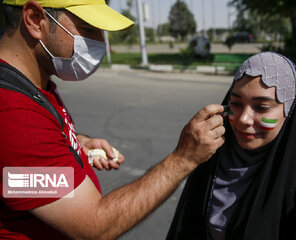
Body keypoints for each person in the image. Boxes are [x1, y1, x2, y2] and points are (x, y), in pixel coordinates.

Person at [0, 0, 225, 239]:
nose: (100, 43)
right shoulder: (13, 112)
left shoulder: (32, 85)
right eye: (88, 30)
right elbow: (94, 226)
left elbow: (19, 177)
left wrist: (73, 144)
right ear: (35, 19)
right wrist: (183, 158)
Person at [167, 52, 296, 240]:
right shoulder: (209, 161)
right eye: (236, 103)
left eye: (261, 107)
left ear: (289, 113)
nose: (243, 119)